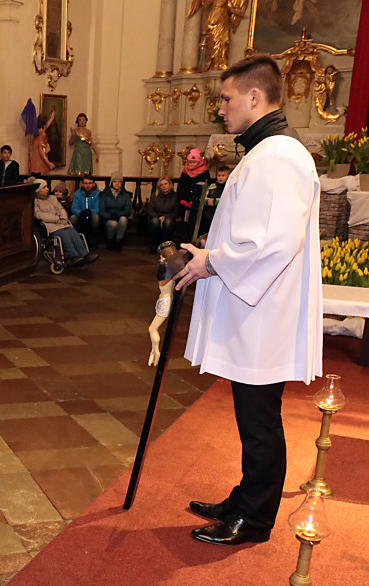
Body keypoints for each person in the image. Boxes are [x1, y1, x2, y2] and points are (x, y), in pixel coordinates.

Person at [173, 54, 322, 546]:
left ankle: (255, 518)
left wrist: (211, 261)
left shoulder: (277, 156)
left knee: (259, 422)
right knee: (252, 415)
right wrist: (211, 255)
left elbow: (270, 243)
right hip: (257, 309)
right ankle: (246, 497)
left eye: (226, 98)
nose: (220, 108)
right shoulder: (267, 152)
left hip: (264, 314)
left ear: (254, 97)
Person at [34, 179, 97, 267]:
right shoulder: (35, 201)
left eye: (47, 187)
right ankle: (73, 256)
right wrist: (56, 219)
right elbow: (38, 215)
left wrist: (63, 218)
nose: (47, 189)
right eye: (44, 187)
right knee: (64, 235)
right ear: (38, 189)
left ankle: (84, 254)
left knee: (73, 232)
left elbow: (61, 209)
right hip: (49, 225)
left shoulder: (52, 198)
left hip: (61, 222)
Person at [177, 148, 211, 240]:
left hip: (198, 202)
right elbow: (181, 186)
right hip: (185, 202)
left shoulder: (204, 172)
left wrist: (197, 200)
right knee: (185, 223)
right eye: (190, 162)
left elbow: (206, 187)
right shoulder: (185, 172)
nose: (191, 164)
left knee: (196, 223)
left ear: (199, 162)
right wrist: (182, 199)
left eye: (194, 162)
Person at [99, 172, 132, 250]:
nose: (117, 184)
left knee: (123, 219)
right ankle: (109, 240)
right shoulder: (105, 194)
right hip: (108, 218)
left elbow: (128, 210)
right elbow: (102, 211)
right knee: (113, 224)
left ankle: (118, 240)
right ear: (111, 182)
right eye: (115, 181)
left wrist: (117, 214)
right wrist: (110, 215)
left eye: (119, 182)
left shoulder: (126, 195)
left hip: (120, 217)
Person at [146, 177, 178, 249]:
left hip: (169, 217)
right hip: (156, 216)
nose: (163, 186)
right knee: (154, 222)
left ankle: (165, 244)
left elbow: (176, 212)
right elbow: (150, 210)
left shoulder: (175, 196)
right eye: (161, 185)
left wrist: (165, 217)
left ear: (170, 184)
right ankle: (154, 243)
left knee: (168, 223)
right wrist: (159, 216)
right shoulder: (155, 195)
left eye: (165, 184)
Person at [200, 164, 232, 235]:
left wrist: (215, 202)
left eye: (223, 175)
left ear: (229, 176)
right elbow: (204, 198)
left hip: (223, 214)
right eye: (219, 175)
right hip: (210, 214)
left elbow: (228, 200)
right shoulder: (212, 186)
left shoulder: (229, 187)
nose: (220, 178)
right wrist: (207, 201)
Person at [70, 175, 101, 240]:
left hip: (92, 215)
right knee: (73, 218)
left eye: (90, 183)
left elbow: (98, 208)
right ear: (82, 184)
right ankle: (76, 238)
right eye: (86, 183)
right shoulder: (77, 194)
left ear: (93, 184)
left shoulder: (98, 193)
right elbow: (74, 208)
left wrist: (90, 212)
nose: (88, 185)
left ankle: (94, 238)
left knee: (96, 217)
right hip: (81, 214)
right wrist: (81, 212)